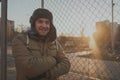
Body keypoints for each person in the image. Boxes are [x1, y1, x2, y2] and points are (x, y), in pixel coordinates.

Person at [12, 8, 70, 80]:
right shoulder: (21, 40)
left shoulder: (54, 42)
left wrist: (48, 74)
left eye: (47, 22)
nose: (44, 26)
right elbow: (28, 68)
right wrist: (54, 60)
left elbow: (66, 64)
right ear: (34, 23)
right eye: (40, 22)